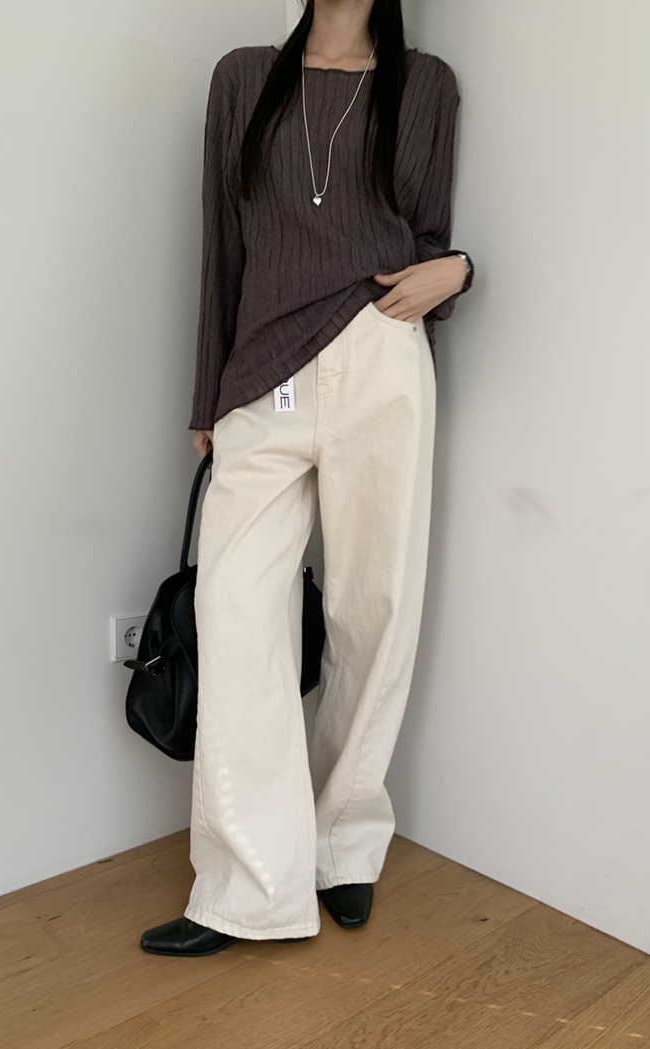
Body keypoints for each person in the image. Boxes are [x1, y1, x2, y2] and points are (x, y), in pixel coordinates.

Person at [141, 0, 474, 957]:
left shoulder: (426, 84)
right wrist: (208, 400)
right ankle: (249, 888)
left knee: (375, 607)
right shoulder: (244, 76)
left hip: (382, 357)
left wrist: (459, 272)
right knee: (235, 614)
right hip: (265, 377)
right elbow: (222, 244)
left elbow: (428, 236)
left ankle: (342, 845)